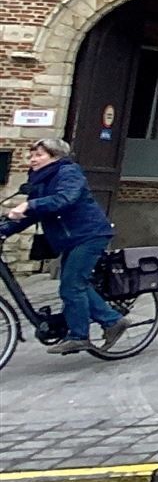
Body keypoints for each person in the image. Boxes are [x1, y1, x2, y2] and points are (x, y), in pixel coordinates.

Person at [6, 138, 126, 355]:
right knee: (75, 283)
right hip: (68, 238)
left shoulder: (68, 173)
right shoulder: (39, 180)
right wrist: (4, 229)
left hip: (89, 235)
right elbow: (33, 214)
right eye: (31, 155)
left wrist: (29, 204)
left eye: (39, 155)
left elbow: (65, 199)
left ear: (55, 157)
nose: (33, 159)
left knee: (71, 285)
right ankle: (111, 320)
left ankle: (81, 335)